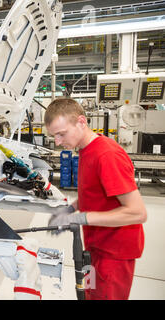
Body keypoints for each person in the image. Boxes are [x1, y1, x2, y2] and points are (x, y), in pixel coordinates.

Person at [44, 98, 147, 300]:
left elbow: (137, 213)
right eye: (53, 135)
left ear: (81, 122)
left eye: (61, 134)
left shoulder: (106, 155)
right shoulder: (85, 150)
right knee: (89, 294)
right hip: (94, 247)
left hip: (113, 254)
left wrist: (80, 219)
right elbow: (95, 193)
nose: (57, 142)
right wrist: (70, 209)